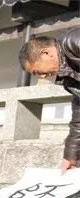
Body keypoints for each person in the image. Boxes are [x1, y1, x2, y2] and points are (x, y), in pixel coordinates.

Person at [19, 28, 80, 172]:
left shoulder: (72, 41)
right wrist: (70, 155)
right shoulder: (68, 81)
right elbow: (78, 119)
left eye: (37, 71)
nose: (42, 76)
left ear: (45, 53)